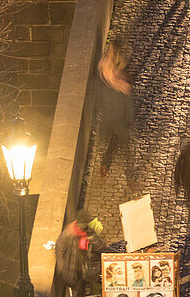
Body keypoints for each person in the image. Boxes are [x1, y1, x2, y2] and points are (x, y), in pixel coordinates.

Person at [97, 41, 133, 180]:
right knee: (125, 147)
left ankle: (105, 165)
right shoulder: (116, 79)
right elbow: (125, 96)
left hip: (110, 118)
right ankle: (130, 176)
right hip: (116, 118)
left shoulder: (106, 71)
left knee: (114, 142)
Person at [53, 212, 104, 297]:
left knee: (85, 290)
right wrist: (61, 267)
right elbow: (59, 249)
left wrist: (94, 240)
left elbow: (100, 247)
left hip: (86, 269)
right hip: (72, 270)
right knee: (76, 291)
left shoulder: (90, 232)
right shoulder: (68, 234)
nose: (82, 229)